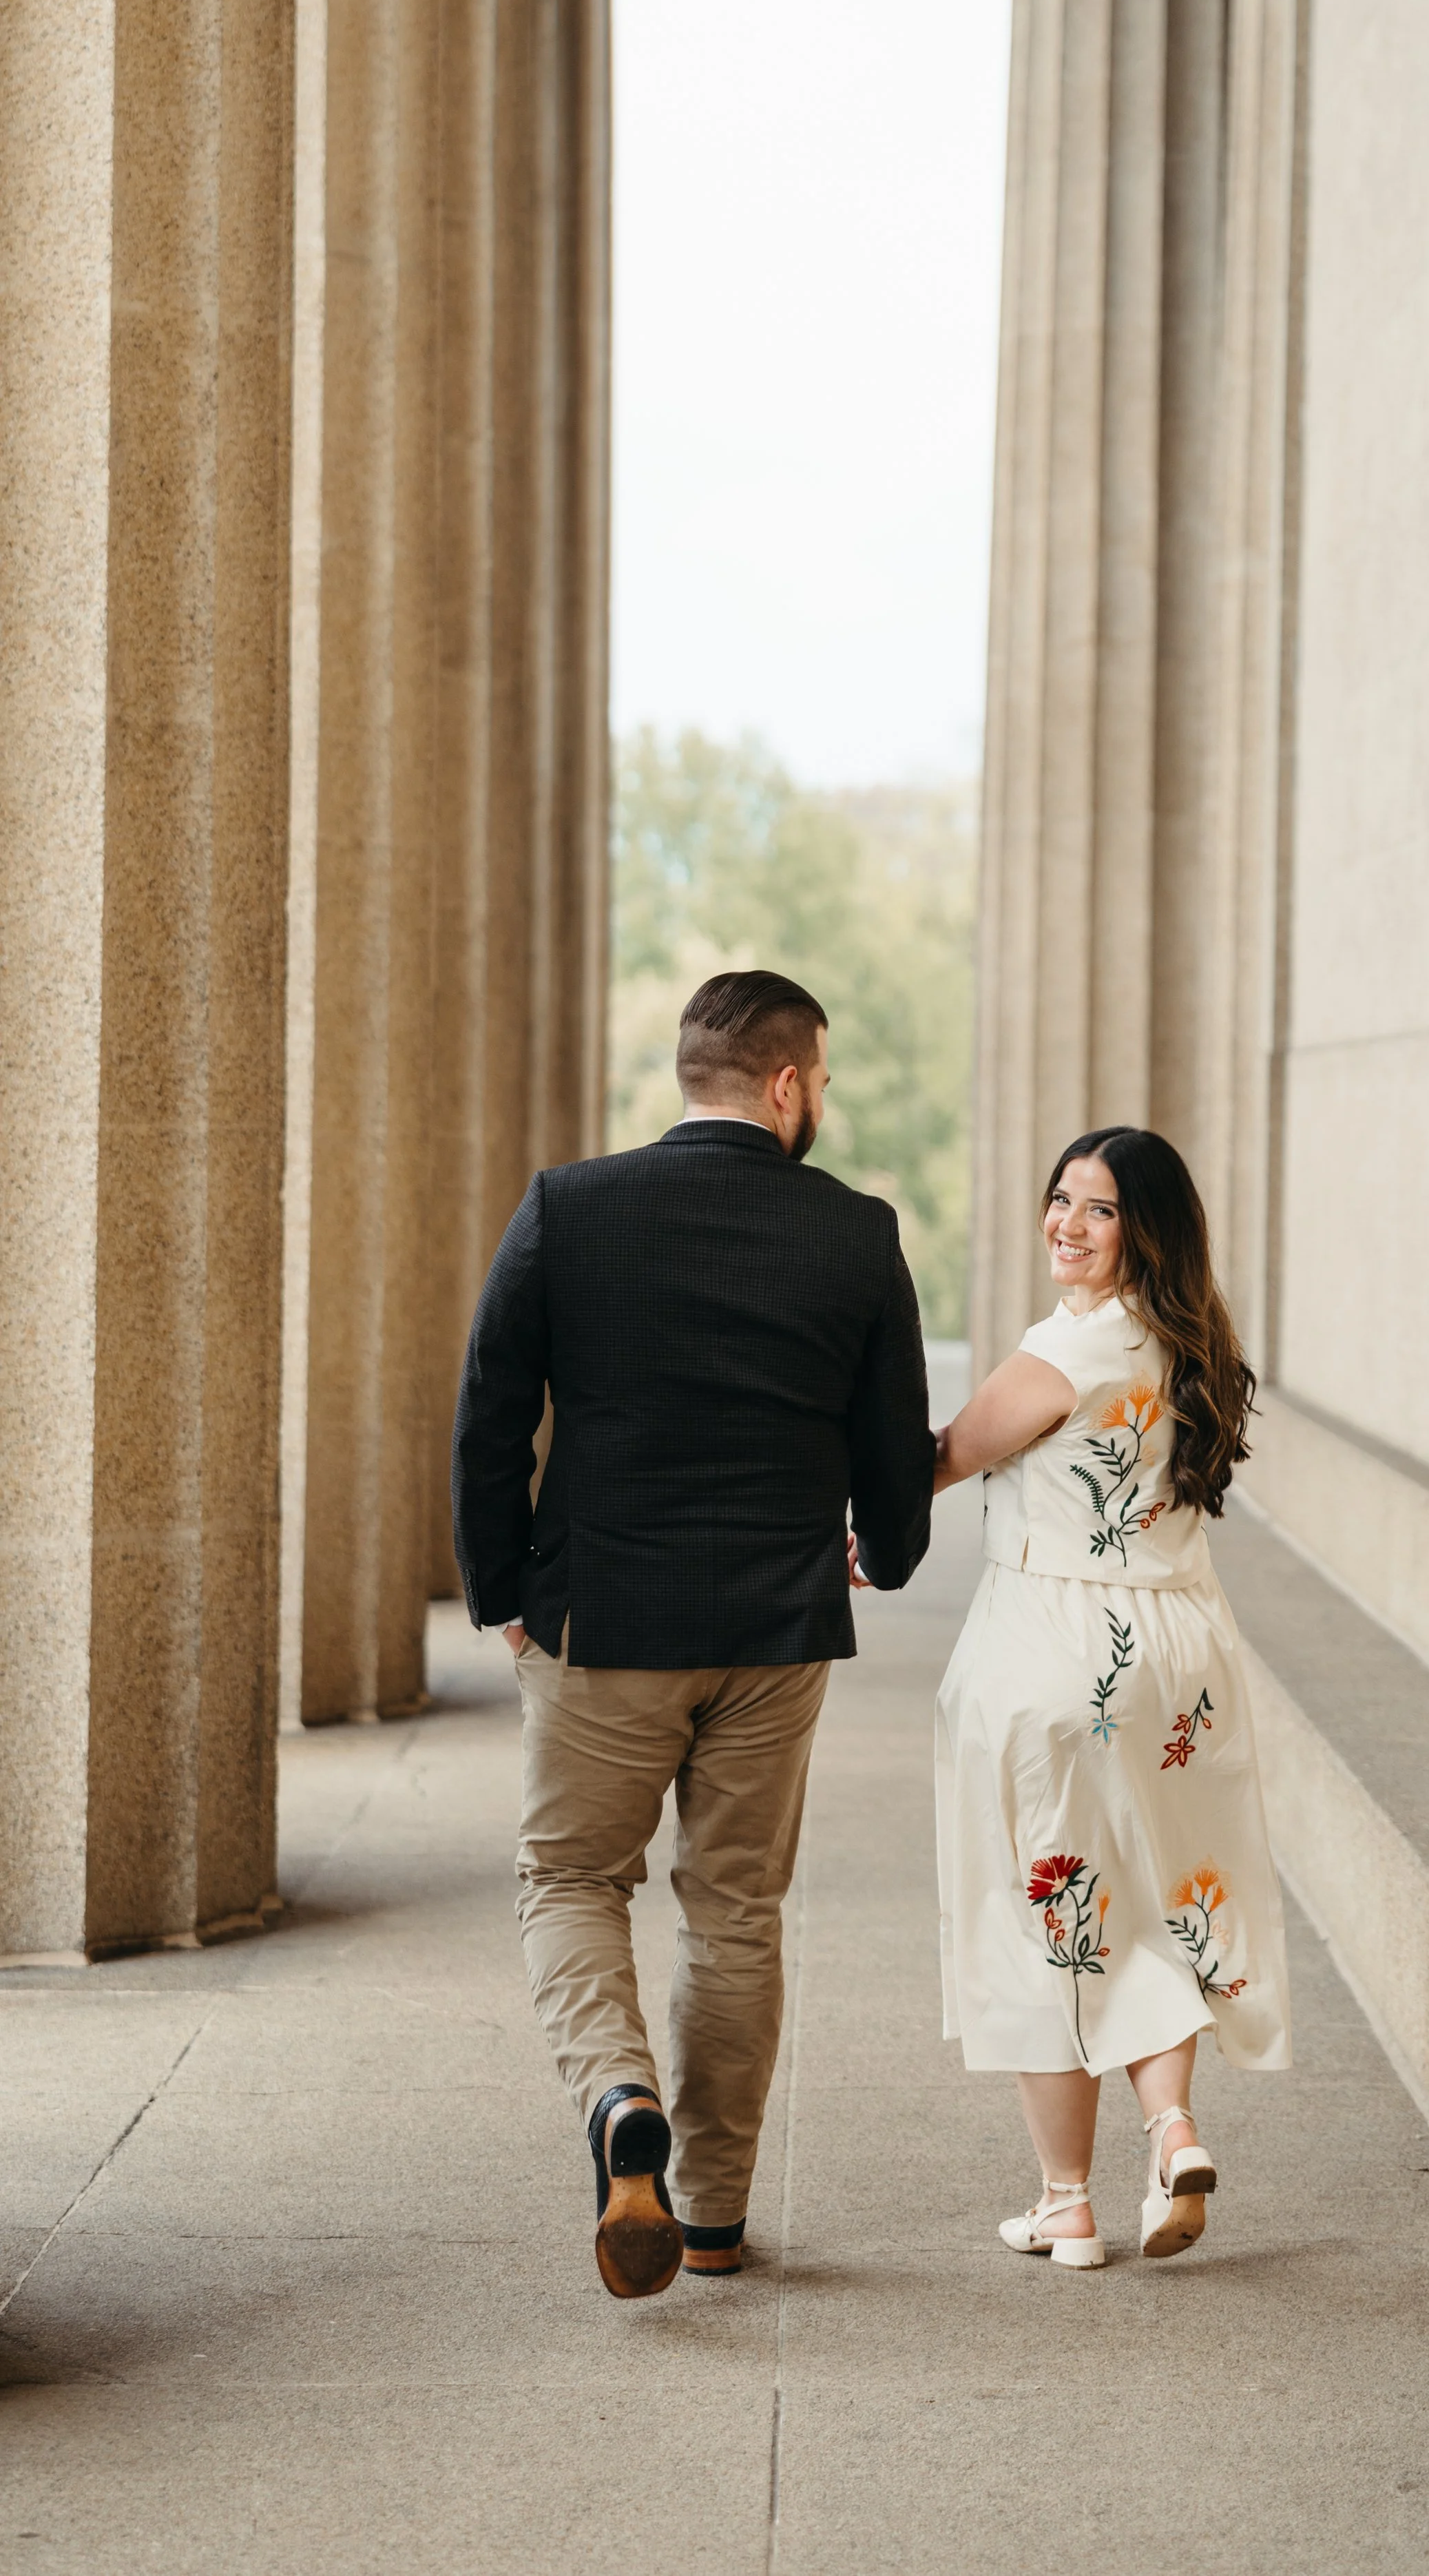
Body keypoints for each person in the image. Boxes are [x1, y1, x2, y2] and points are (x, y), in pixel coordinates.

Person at [452, 970, 935, 2298]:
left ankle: (620, 2106)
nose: (819, 1100)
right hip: (775, 1628)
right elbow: (892, 1439)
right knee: (735, 1914)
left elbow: (491, 1409)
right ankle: (713, 2212)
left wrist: (500, 1588)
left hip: (602, 1619)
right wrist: (887, 1555)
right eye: (821, 1080)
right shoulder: (856, 1231)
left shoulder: (572, 1206)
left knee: (568, 1881)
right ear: (787, 1084)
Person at [932, 1127, 1290, 2269]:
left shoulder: (1068, 1348)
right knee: (1149, 1895)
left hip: (1059, 1646)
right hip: (1177, 1653)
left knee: (1053, 1912)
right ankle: (1173, 2125)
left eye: (1097, 1210)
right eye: (1059, 1199)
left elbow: (945, 1454)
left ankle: (1067, 2200)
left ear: (1144, 1231)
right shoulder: (1195, 1347)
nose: (1065, 1225)